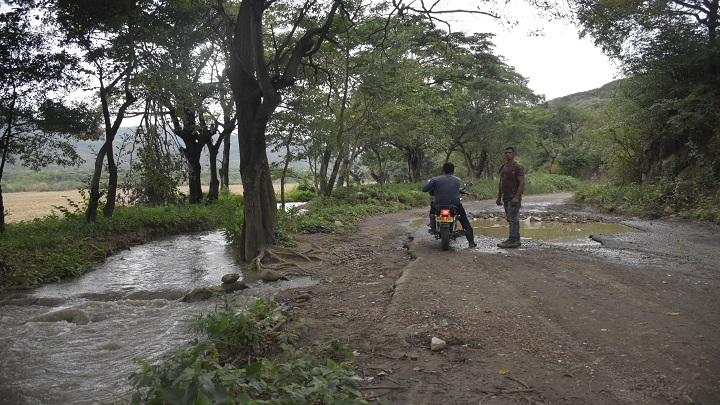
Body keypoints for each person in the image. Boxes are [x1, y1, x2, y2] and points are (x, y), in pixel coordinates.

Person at [422, 162, 477, 248]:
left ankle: (432, 227)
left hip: (438, 206)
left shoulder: (435, 180)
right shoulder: (458, 180)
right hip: (454, 206)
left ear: (443, 170)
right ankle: (471, 242)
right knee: (464, 221)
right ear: (453, 170)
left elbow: (424, 189)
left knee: (432, 213)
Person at [496, 147, 525, 248]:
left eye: (510, 152)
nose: (508, 154)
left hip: (514, 195)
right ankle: (515, 239)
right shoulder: (503, 166)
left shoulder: (518, 167)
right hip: (506, 195)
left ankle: (513, 240)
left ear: (514, 154)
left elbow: (522, 182)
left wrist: (516, 197)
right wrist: (499, 196)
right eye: (506, 153)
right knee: (510, 218)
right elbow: (501, 182)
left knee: (513, 217)